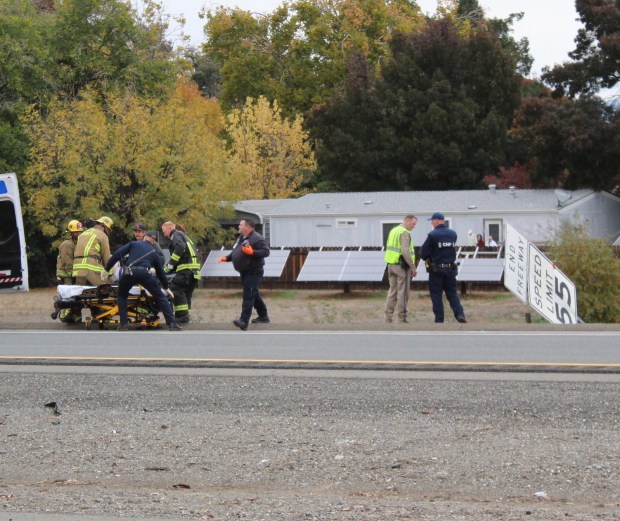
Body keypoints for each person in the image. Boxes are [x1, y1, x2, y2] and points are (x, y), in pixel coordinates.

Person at [102, 240, 181, 331]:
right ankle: (172, 323)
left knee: (122, 296)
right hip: (144, 273)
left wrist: (106, 270)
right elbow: (160, 273)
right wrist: (166, 287)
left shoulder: (133, 244)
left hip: (129, 273)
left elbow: (117, 255)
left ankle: (123, 325)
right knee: (160, 296)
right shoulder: (154, 253)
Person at [218, 218, 270, 331]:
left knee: (248, 295)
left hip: (254, 271)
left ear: (247, 227)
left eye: (241, 225)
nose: (239, 227)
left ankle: (243, 321)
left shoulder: (257, 238)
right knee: (253, 293)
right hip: (244, 271)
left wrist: (253, 252)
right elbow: (236, 252)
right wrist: (227, 258)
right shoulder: (242, 238)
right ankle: (263, 316)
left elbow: (266, 252)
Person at [420, 212, 467, 324]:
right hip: (450, 269)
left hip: (437, 270)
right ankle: (460, 314)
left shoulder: (432, 235)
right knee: (452, 293)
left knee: (436, 295)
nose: (431, 223)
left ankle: (439, 320)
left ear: (436, 221)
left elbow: (423, 254)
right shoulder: (453, 234)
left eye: (432, 221)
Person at [161, 221, 201, 323]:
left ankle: (182, 316)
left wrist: (170, 264)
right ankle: (186, 316)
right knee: (186, 294)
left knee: (175, 289)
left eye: (164, 231)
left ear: (170, 228)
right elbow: (182, 257)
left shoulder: (176, 234)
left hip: (186, 270)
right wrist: (165, 271)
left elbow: (180, 247)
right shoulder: (184, 236)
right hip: (194, 272)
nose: (164, 235)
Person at [383, 215, 418, 323]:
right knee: (402, 293)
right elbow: (405, 251)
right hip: (401, 267)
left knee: (392, 292)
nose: (414, 226)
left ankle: (388, 318)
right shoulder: (404, 233)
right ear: (406, 221)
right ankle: (402, 318)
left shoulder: (394, 230)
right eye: (413, 223)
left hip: (391, 265)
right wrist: (413, 267)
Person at [72, 216, 113, 286]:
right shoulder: (103, 236)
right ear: (104, 227)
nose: (108, 232)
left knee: (80, 293)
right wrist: (110, 273)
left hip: (77, 268)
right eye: (108, 230)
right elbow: (106, 257)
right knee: (106, 287)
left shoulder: (83, 234)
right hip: (91, 267)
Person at [56, 220, 82, 284]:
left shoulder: (77, 243)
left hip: (71, 272)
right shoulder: (67, 244)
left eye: (80, 231)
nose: (79, 233)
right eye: (77, 232)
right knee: (69, 292)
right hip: (66, 274)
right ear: (71, 232)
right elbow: (67, 261)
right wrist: (73, 273)